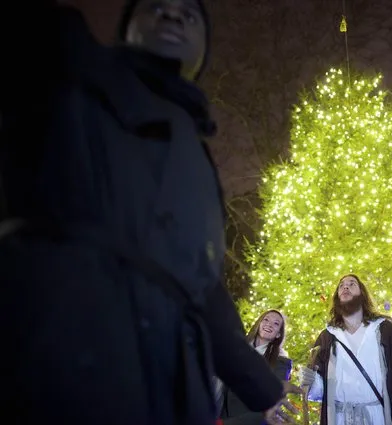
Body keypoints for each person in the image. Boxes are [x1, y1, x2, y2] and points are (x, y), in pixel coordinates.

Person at [0, 1, 298, 424]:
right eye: (156, 8)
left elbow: (204, 289)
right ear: (126, 30)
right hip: (64, 348)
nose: (174, 16)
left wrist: (260, 386)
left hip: (169, 378)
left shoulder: (197, 157)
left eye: (191, 16)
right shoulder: (71, 71)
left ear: (202, 53)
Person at [300, 274, 392, 425]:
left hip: (378, 417)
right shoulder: (327, 337)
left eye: (352, 284)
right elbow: (322, 391)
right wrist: (312, 381)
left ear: (362, 295)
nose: (345, 287)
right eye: (341, 285)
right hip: (340, 419)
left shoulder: (384, 330)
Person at [221, 310, 293, 425]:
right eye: (266, 319)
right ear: (259, 324)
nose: (269, 324)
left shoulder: (281, 362)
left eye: (276, 323)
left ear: (278, 334)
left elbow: (271, 404)